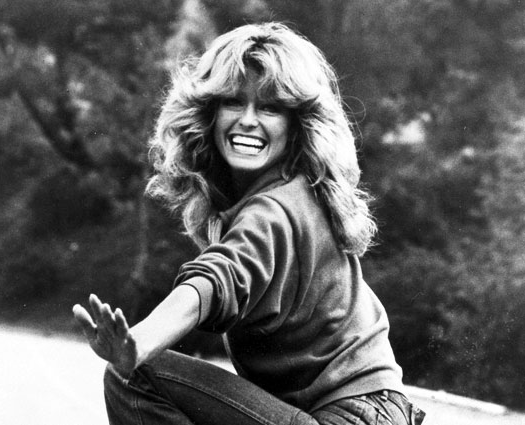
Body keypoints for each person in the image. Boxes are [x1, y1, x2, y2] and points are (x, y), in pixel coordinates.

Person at [73, 22, 426, 425]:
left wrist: (139, 343)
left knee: (134, 376)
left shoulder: (275, 210)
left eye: (270, 108)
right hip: (375, 412)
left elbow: (217, 280)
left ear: (297, 124)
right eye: (233, 102)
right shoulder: (298, 197)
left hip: (349, 418)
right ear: (208, 114)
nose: (248, 120)